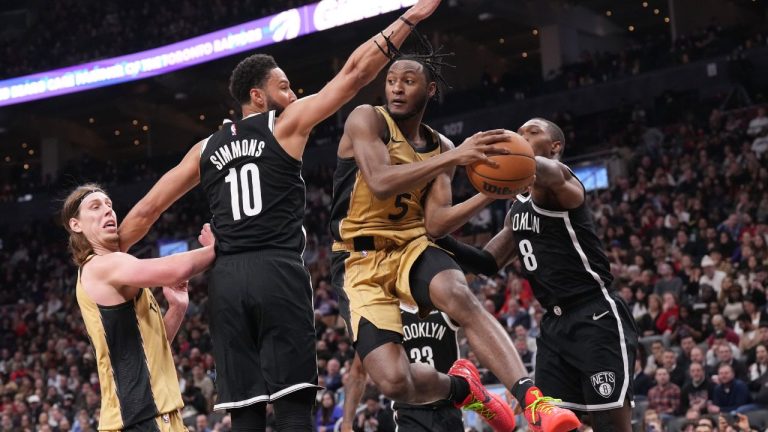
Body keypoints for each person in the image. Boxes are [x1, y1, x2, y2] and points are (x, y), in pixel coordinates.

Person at [117, 1, 444, 430]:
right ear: (259, 96)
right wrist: (410, 18)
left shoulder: (203, 149)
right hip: (278, 270)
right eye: (285, 87)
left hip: (226, 281)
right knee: (293, 408)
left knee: (246, 414)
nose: (293, 95)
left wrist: (99, 263)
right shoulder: (284, 124)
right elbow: (354, 75)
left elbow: (146, 211)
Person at [330, 43, 579, 431]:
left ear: (429, 91)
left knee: (458, 294)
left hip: (410, 244)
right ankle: (464, 389)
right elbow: (379, 182)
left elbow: (436, 225)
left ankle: (535, 401)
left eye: (408, 81)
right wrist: (454, 158)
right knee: (394, 381)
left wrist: (488, 192)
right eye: (392, 81)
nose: (396, 88)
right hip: (357, 259)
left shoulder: (441, 146)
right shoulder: (368, 119)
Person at [439, 118, 639, 431]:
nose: (521, 138)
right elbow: (487, 262)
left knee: (608, 423)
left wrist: (509, 152)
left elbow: (547, 172)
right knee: (549, 422)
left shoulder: (564, 183)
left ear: (555, 146)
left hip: (595, 315)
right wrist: (439, 238)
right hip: (553, 326)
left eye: (532, 133)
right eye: (518, 134)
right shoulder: (517, 208)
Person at [60, 184, 216, 431]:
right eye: (95, 206)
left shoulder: (117, 272)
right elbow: (177, 270)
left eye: (110, 205)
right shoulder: (99, 266)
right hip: (139, 417)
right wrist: (217, 246)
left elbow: (151, 348)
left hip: (157, 413)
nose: (108, 211)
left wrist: (176, 308)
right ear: (76, 225)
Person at [344, 307, 464, 432]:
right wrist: (346, 424)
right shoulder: (382, 318)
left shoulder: (441, 305)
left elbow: (473, 317)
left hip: (448, 406)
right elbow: (358, 371)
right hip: (410, 410)